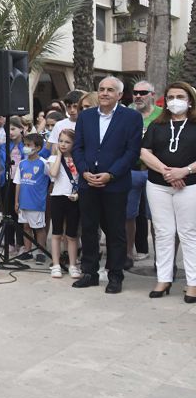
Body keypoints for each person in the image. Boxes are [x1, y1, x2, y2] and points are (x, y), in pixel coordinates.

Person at [71, 76, 143, 294]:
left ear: (119, 95)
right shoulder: (86, 117)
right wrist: (83, 171)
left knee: (115, 231)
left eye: (110, 90)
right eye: (101, 89)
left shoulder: (131, 118)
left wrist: (111, 174)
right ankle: (90, 273)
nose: (104, 93)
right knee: (89, 230)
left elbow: (132, 152)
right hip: (87, 182)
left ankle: (115, 275)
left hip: (115, 184)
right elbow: (78, 148)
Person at [139, 81, 196, 302]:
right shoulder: (157, 125)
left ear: (189, 100)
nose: (175, 101)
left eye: (180, 97)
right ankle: (164, 278)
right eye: (171, 97)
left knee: (188, 233)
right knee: (163, 233)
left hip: (189, 186)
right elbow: (145, 152)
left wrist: (185, 171)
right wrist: (168, 172)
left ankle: (193, 283)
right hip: (158, 185)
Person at [126, 80, 161, 267]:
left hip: (154, 172)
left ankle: (160, 260)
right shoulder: (127, 115)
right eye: (135, 92)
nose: (138, 96)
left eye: (143, 92)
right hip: (131, 171)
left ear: (152, 95)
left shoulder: (162, 115)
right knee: (128, 215)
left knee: (156, 218)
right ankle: (128, 256)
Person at [0, 116, 27, 253]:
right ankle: (9, 242)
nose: (10, 132)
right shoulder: (3, 147)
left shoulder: (28, 145)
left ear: (21, 129)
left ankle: (21, 243)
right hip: (7, 182)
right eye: (7, 130)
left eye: (13, 129)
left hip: (24, 184)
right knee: (8, 213)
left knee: (21, 215)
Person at [46, 128, 81, 279]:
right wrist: (59, 155)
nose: (63, 144)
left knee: (72, 234)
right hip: (58, 197)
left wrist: (78, 194)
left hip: (73, 198)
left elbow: (82, 179)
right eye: (61, 141)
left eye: (67, 142)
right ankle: (56, 264)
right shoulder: (53, 159)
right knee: (57, 233)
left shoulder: (79, 159)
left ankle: (73, 264)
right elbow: (53, 174)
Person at [14, 133, 50, 264]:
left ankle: (41, 252)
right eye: (25, 145)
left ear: (38, 148)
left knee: (39, 228)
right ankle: (27, 251)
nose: (26, 147)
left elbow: (52, 178)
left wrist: (45, 196)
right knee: (26, 227)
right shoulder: (22, 164)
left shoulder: (43, 163)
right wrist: (16, 201)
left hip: (37, 202)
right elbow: (18, 182)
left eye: (29, 145)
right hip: (24, 202)